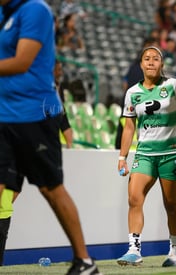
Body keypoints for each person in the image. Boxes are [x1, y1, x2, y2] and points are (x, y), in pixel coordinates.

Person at [0, 0, 101, 274]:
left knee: (51, 189)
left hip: (34, 115)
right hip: (4, 116)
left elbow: (22, 61)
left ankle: (84, 260)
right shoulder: (4, 13)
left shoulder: (35, 10)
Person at [117, 46, 176, 267]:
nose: (150, 62)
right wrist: (122, 157)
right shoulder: (132, 93)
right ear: (141, 64)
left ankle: (174, 252)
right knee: (134, 198)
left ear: (162, 64)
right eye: (146, 59)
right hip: (145, 155)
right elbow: (129, 127)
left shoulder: (173, 86)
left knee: (171, 204)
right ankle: (134, 250)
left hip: (172, 155)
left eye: (155, 59)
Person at [54, 60, 73, 148]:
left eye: (61, 70)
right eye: (58, 70)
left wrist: (69, 143)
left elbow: (63, 117)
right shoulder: (41, 89)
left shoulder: (59, 88)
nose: (60, 73)